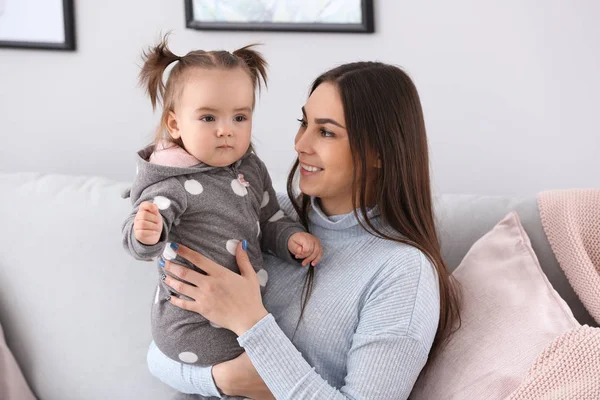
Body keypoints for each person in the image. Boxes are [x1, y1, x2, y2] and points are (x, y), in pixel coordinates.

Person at [147, 61, 461, 400]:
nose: (300, 144)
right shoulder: (262, 214)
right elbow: (158, 353)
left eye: (326, 132)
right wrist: (222, 380)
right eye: (304, 123)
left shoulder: (402, 273)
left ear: (378, 153)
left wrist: (250, 323)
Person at [121, 36, 323, 372]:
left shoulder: (251, 169)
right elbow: (140, 240)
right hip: (190, 323)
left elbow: (268, 219)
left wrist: (289, 238)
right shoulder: (173, 184)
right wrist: (147, 232)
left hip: (244, 316)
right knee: (270, 367)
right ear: (175, 124)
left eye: (239, 118)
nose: (225, 131)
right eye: (208, 118)